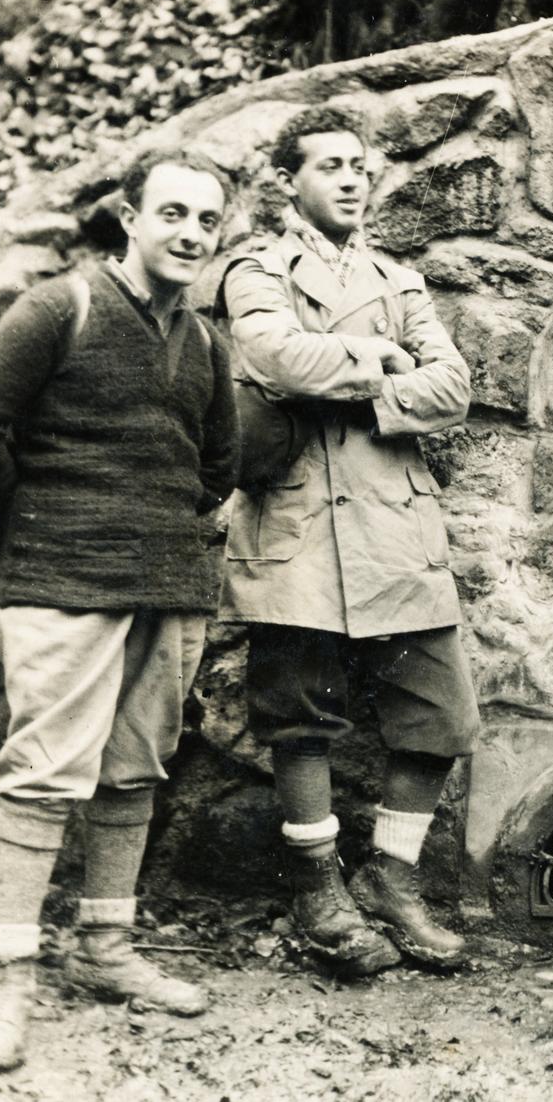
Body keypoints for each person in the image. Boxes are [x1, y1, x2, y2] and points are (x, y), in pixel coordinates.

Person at [0, 150, 238, 1071]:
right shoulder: (58, 307)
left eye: (206, 222)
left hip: (168, 587)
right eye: (173, 214)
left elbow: (217, 465)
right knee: (40, 775)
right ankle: (8, 979)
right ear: (130, 217)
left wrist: (158, 529)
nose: (189, 234)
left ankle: (105, 948)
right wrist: (32, 524)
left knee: (135, 772)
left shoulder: (208, 342)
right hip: (62, 583)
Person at [218, 105, 477, 977]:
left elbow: (453, 387)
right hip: (297, 525)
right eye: (331, 165)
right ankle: (317, 888)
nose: (354, 178)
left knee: (441, 716)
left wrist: (360, 381)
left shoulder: (399, 279)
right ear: (287, 183)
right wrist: (382, 362)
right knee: (302, 722)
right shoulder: (255, 268)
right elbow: (272, 357)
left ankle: (391, 879)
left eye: (361, 165)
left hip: (397, 528)